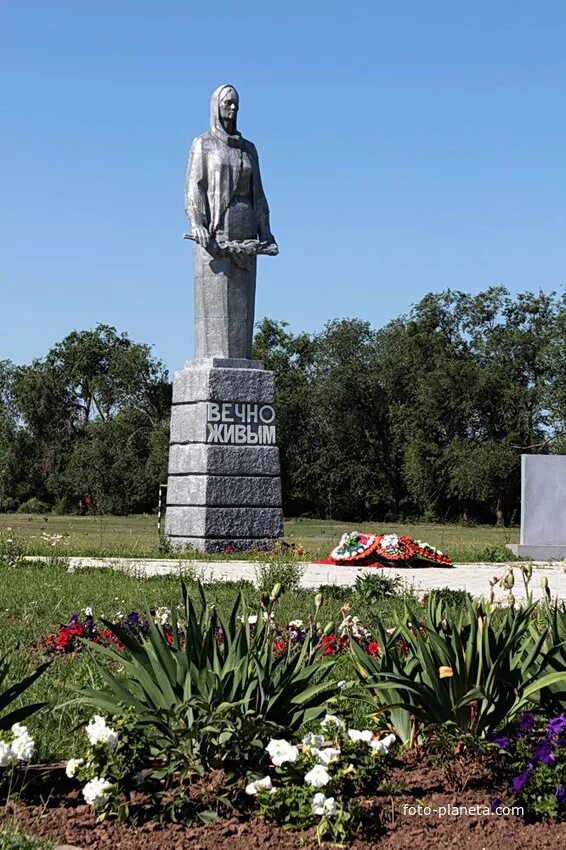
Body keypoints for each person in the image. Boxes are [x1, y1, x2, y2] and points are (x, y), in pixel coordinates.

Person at [185, 84, 277, 360]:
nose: (233, 108)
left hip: (246, 232)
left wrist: (267, 233)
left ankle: (241, 361)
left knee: (242, 307)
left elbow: (258, 194)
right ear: (216, 107)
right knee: (215, 309)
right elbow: (194, 187)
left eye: (236, 104)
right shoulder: (203, 144)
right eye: (228, 103)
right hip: (214, 234)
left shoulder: (249, 149)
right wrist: (197, 223)